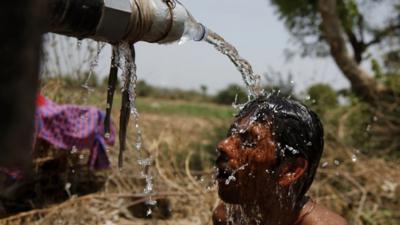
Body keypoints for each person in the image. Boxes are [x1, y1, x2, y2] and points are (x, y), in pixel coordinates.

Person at [213, 95, 347, 225]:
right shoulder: (228, 219)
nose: (223, 145)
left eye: (249, 140)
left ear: (290, 170)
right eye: (231, 134)